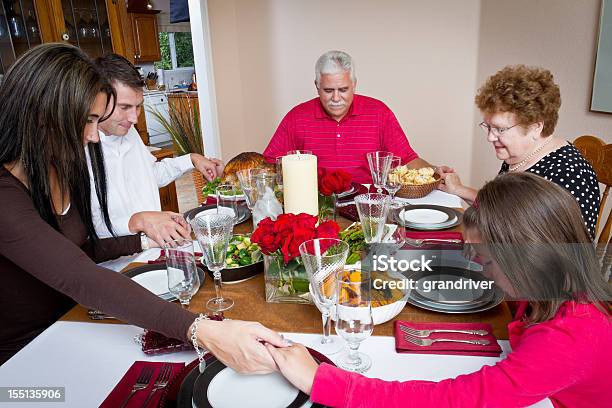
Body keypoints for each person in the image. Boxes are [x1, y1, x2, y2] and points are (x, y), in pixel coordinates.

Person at [0, 43, 288, 368]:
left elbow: (82, 249)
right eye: (87, 120)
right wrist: (200, 330)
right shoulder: (5, 195)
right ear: (44, 117)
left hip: (78, 321)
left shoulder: (61, 169)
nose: (93, 137)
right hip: (26, 356)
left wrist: (143, 239)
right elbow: (78, 275)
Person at [266, 173, 611, 407]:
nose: (481, 269)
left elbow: (453, 401)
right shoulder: (553, 283)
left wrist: (321, 382)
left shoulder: (570, 339)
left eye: (487, 261)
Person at [440, 65, 600, 238]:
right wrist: (458, 189)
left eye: (500, 129)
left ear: (535, 127)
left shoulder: (568, 176)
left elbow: (555, 255)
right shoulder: (520, 154)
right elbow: (504, 210)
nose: (490, 137)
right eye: (488, 127)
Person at [88, 53, 224, 248]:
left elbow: (150, 174)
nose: (134, 118)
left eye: (138, 107)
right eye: (125, 107)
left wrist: (192, 160)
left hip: (156, 253)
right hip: (120, 265)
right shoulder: (80, 151)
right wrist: (141, 220)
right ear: (98, 100)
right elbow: (91, 230)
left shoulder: (128, 131)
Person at [263, 50, 448, 183]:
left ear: (354, 85)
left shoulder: (379, 113)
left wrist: (434, 172)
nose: (336, 98)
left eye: (343, 90)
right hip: (316, 207)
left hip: (369, 205)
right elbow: (270, 165)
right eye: (328, 90)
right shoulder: (297, 117)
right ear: (316, 86)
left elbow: (406, 159)